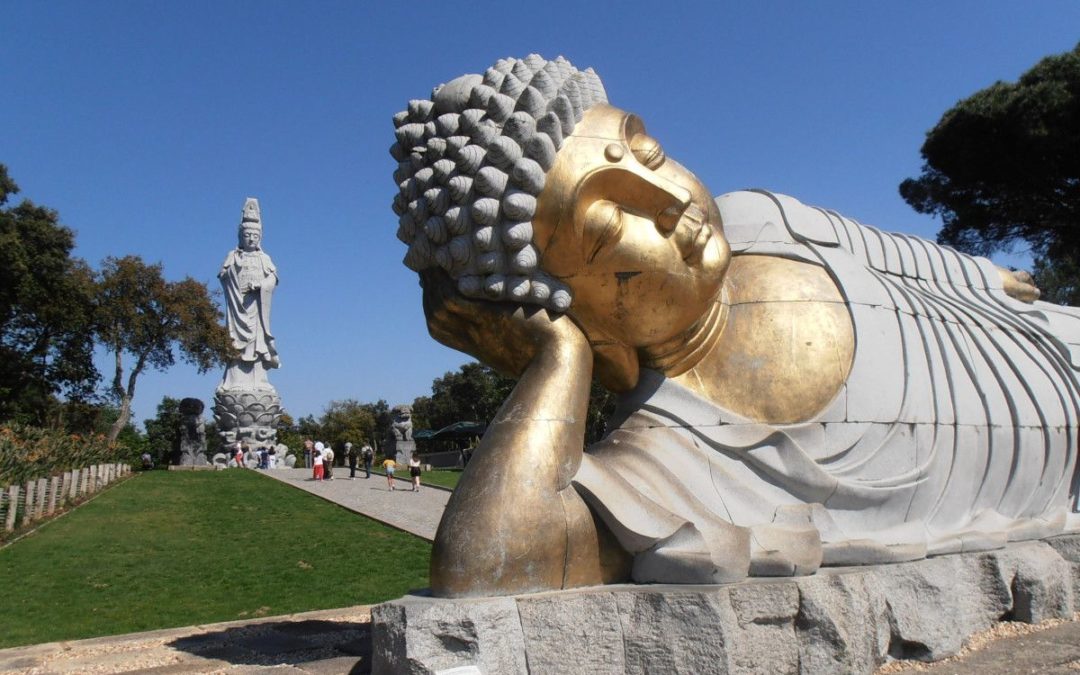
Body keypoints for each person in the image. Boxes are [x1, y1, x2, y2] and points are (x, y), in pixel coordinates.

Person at [394, 54, 1080, 598]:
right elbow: (486, 559)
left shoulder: (758, 218)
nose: (666, 202)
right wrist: (555, 357)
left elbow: (886, 249)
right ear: (571, 310)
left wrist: (982, 276)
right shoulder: (665, 460)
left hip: (1024, 337)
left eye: (649, 152)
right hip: (1034, 472)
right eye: (606, 224)